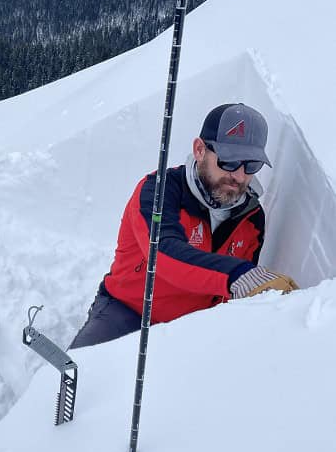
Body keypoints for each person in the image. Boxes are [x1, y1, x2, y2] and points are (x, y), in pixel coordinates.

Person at [69, 103, 298, 350]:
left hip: (191, 330)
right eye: (229, 161)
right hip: (128, 312)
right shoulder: (159, 191)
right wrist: (237, 274)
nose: (240, 176)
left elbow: (234, 298)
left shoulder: (251, 219)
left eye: (251, 165)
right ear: (200, 150)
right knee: (83, 369)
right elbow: (163, 253)